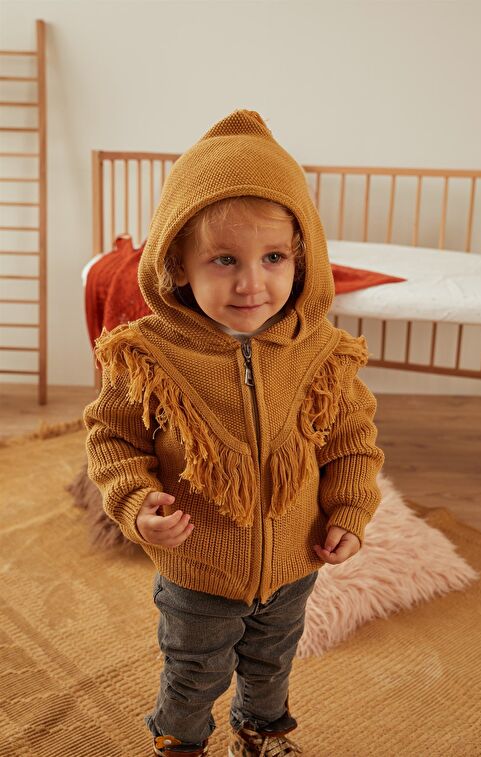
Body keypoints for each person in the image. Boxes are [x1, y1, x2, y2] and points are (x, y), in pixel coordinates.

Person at [84, 109, 385, 757]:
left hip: (293, 561)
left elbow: (352, 444)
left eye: (273, 257)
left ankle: (259, 732)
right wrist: (136, 503)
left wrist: (350, 511)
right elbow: (112, 442)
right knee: (194, 672)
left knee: (272, 663)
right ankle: (182, 742)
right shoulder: (148, 356)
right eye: (224, 259)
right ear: (177, 265)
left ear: (302, 257)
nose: (252, 282)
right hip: (198, 567)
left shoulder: (320, 353)